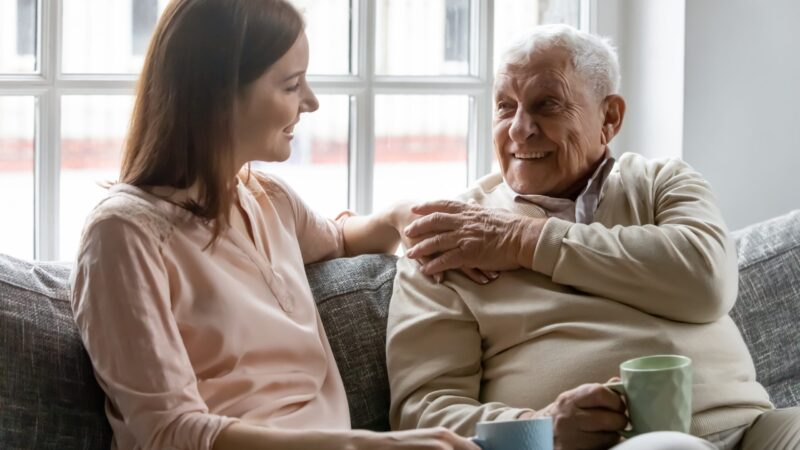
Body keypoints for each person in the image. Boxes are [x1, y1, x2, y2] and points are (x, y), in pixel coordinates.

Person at [70, 1, 480, 449]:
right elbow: (169, 432)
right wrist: (361, 445)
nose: (311, 102)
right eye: (291, 85)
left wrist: (402, 214)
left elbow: (340, 239)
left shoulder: (270, 201)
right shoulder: (123, 235)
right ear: (219, 94)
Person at [387, 24, 800, 450]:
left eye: (546, 105)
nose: (518, 129)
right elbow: (424, 412)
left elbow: (707, 281)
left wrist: (526, 241)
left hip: (756, 432)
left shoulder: (663, 182)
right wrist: (538, 426)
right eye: (505, 107)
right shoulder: (450, 236)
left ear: (609, 117)